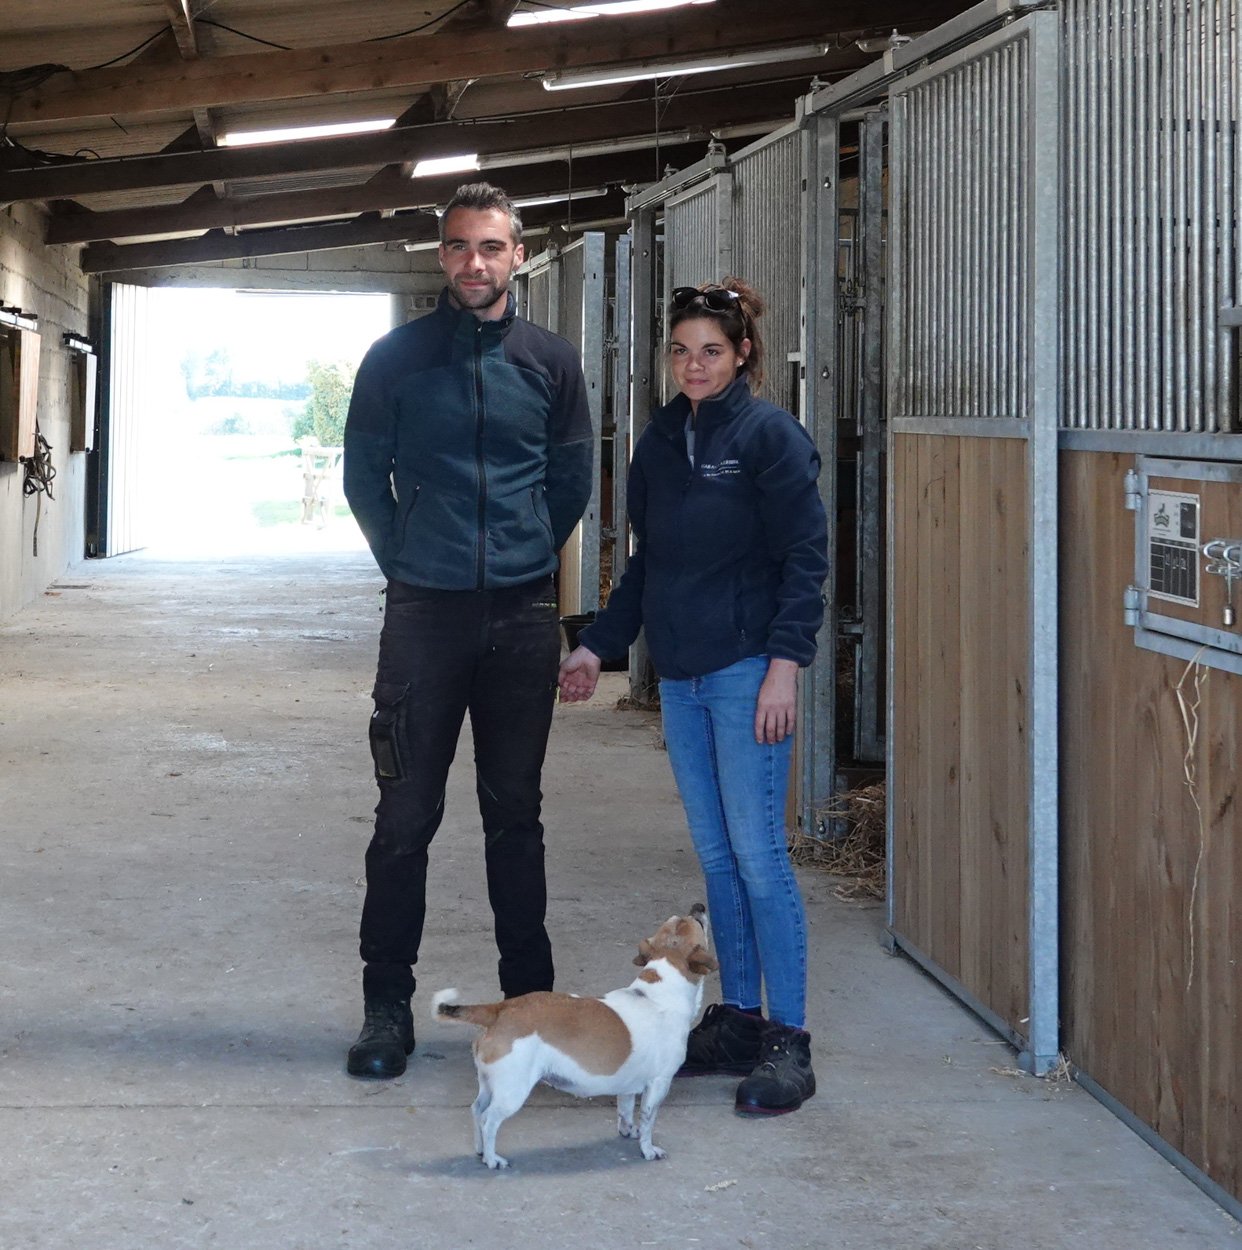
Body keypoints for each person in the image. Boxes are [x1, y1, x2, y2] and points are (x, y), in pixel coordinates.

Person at [558, 279, 828, 1116]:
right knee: (716, 859)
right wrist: (597, 643)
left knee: (760, 857)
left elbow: (806, 559)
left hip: (747, 671)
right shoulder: (661, 440)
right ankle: (738, 1019)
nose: (693, 365)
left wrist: (785, 665)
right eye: (680, 351)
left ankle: (789, 1039)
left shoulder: (770, 436)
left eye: (711, 350)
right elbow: (649, 565)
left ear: (742, 353)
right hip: (681, 678)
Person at [342, 182, 594, 1079]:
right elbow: (364, 477)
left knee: (514, 814)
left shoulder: (550, 361)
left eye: (490, 246)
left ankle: (532, 1005)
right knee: (404, 815)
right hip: (424, 613)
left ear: (518, 253)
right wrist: (410, 560)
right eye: (457, 246)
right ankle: (386, 1007)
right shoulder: (396, 359)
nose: (473, 262)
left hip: (521, 615)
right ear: (441, 255)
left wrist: (524, 552)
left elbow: (571, 480)